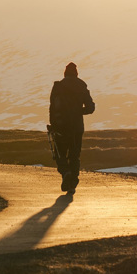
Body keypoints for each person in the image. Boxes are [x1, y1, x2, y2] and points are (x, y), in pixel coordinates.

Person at [49, 62, 95, 193]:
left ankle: (65, 172)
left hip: (60, 126)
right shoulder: (82, 86)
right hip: (77, 127)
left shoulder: (58, 87)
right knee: (75, 155)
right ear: (76, 73)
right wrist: (79, 112)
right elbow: (91, 108)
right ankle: (73, 181)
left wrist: (53, 124)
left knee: (60, 154)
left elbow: (52, 108)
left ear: (65, 73)